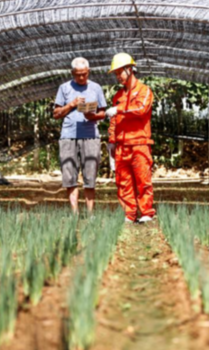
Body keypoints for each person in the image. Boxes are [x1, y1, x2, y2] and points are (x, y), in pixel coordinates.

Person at [103, 53, 156, 223]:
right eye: (116, 73)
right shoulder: (117, 96)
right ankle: (129, 214)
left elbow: (141, 109)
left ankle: (146, 212)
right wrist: (111, 141)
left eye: (120, 72)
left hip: (139, 143)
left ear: (130, 69)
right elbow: (114, 122)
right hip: (121, 146)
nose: (118, 77)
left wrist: (118, 111)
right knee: (123, 183)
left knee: (143, 180)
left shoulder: (144, 91)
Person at [53, 57, 107, 215]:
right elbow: (56, 114)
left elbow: (103, 112)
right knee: (69, 175)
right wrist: (71, 104)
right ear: (72, 73)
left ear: (88, 72)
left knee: (90, 175)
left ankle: (90, 214)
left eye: (84, 74)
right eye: (78, 75)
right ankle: (74, 213)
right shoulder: (64, 88)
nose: (81, 77)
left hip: (90, 135)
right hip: (68, 136)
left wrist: (93, 116)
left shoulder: (96, 88)